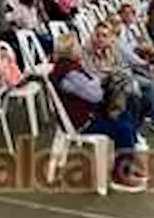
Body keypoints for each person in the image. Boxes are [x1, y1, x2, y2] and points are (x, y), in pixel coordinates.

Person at [50, 33, 146, 193]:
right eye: (77, 46)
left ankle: (126, 162)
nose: (80, 48)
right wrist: (97, 80)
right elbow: (96, 96)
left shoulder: (66, 67)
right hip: (83, 121)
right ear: (71, 50)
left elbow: (89, 85)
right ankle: (119, 177)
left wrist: (94, 80)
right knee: (124, 128)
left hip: (85, 114)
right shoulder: (70, 74)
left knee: (125, 115)